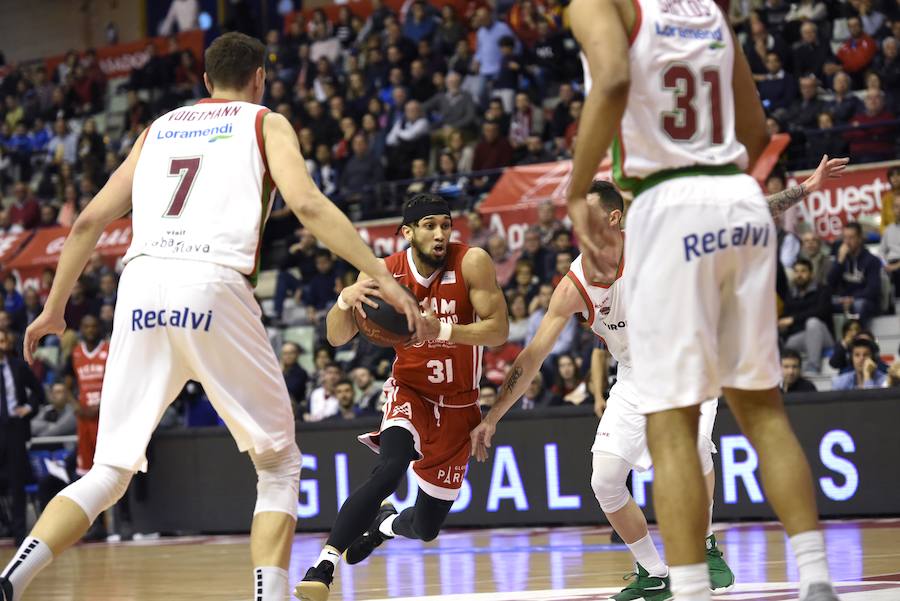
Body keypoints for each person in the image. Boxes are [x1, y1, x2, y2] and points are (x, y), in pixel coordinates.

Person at [1, 32, 423, 601]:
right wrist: (387, 276)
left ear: (204, 81)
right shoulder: (264, 121)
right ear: (260, 77)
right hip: (213, 283)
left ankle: (11, 580)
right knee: (277, 463)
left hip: (141, 285)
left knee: (107, 472)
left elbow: (86, 223)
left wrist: (54, 309)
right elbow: (307, 205)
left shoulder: (156, 129)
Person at [565, 1, 841, 599]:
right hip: (738, 201)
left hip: (669, 202)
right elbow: (756, 129)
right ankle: (816, 575)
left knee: (672, 423)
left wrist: (573, 189)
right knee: (763, 412)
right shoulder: (710, 8)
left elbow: (611, 78)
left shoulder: (600, 6)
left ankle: (688, 588)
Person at [472, 181, 734, 600]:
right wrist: (492, 417)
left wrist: (803, 189)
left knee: (693, 447)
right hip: (635, 374)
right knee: (605, 480)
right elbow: (532, 356)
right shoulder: (573, 287)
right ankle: (654, 572)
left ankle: (706, 549)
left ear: (614, 218)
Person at [296, 193, 508, 601]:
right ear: (407, 232)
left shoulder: (471, 262)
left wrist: (441, 331)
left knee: (426, 528)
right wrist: (345, 300)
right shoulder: (383, 274)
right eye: (429, 226)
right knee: (390, 467)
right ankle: (324, 564)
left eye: (445, 225)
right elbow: (336, 336)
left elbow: (498, 331)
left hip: (461, 405)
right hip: (410, 390)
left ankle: (383, 527)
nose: (440, 233)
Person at [0, 329, 45, 547]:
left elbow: (39, 393)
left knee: (17, 484)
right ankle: (4, 526)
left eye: (4, 338)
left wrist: (28, 408)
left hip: (14, 430)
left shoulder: (18, 366)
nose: (2, 342)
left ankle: (19, 534)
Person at [64, 315, 108, 477]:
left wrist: (103, 405)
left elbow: (121, 383)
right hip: (84, 417)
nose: (90, 330)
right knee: (86, 470)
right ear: (81, 329)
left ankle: (117, 503)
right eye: (86, 326)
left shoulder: (109, 350)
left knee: (109, 466)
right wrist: (77, 407)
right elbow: (67, 388)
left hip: (106, 416)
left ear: (99, 328)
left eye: (94, 326)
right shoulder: (74, 354)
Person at [781, 258, 834, 374]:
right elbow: (786, 316)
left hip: (823, 335)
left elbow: (821, 312)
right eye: (796, 272)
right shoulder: (790, 294)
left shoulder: (822, 290)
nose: (799, 275)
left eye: (803, 271)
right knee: (788, 342)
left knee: (813, 322)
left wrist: (793, 319)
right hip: (802, 337)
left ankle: (813, 367)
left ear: (811, 273)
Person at [827, 221, 882, 325]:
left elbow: (873, 289)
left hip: (865, 301)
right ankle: (837, 340)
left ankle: (859, 338)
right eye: (845, 238)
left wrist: (852, 299)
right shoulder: (841, 259)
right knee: (823, 304)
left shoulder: (872, 260)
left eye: (851, 237)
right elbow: (830, 284)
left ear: (860, 238)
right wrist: (839, 262)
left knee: (859, 305)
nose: (847, 242)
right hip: (844, 300)